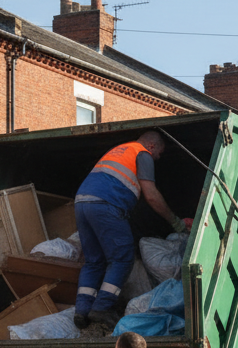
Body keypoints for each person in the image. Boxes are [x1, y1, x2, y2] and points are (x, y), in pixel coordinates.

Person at [73, 130, 191, 329]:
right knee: (122, 257)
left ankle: (82, 311)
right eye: (159, 153)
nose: (158, 158)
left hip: (82, 203)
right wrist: (176, 222)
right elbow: (151, 195)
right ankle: (102, 308)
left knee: (94, 261)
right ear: (152, 146)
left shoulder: (119, 150)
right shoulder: (142, 153)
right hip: (106, 205)